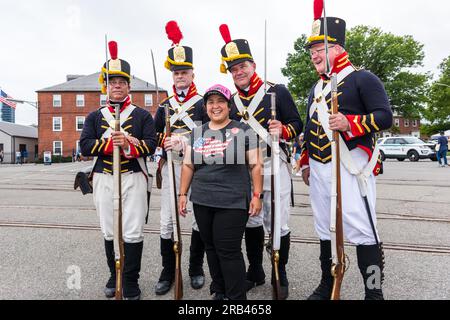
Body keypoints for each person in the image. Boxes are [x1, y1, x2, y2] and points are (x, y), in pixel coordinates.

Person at [299, 14, 393, 300]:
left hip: (351, 165)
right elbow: (308, 128)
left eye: (320, 48)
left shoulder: (363, 78)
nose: (314, 55)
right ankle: (327, 284)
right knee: (324, 229)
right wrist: (305, 160)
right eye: (312, 50)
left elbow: (384, 117)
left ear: (338, 48)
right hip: (319, 168)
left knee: (365, 231)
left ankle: (373, 290)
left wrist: (350, 123)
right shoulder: (316, 89)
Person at [219, 24, 303, 299]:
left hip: (272, 163)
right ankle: (255, 271)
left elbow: (297, 123)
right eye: (233, 69)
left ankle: (281, 272)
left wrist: (284, 130)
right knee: (251, 222)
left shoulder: (276, 91)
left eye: (242, 66)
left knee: (278, 222)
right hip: (243, 169)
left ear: (253, 65)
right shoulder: (229, 101)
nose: (238, 72)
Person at [80, 41, 156, 300]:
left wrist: (130, 146)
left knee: (133, 230)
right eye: (113, 82)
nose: (117, 86)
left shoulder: (142, 115)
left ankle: (131, 281)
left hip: (133, 176)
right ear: (107, 85)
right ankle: (115, 275)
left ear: (128, 85)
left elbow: (151, 144)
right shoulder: (94, 116)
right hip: (103, 176)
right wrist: (109, 143)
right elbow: (85, 144)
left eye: (122, 81)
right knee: (109, 230)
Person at [178, 84, 263, 300]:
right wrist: (182, 194)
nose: (215, 106)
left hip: (233, 201)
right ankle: (219, 290)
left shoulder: (245, 130)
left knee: (228, 250)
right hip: (202, 199)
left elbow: (255, 165)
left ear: (228, 105)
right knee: (211, 247)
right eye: (211, 102)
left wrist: (257, 196)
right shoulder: (197, 132)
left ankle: (236, 299)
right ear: (206, 106)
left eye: (220, 102)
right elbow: (188, 165)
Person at [152, 21, 208, 295]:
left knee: (198, 219)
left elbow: (214, 136)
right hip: (172, 166)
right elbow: (151, 139)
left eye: (184, 72)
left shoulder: (204, 101)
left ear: (192, 73)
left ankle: (196, 268)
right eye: (176, 72)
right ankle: (168, 270)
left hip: (198, 167)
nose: (180, 76)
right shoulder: (164, 105)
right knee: (167, 221)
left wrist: (186, 141)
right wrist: (161, 142)